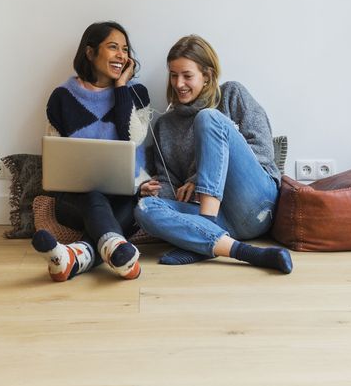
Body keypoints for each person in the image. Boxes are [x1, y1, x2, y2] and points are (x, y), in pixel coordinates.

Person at [134, 34, 292, 274]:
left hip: (256, 204)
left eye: (187, 75)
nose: (178, 84)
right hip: (225, 224)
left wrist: (198, 179)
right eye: (174, 75)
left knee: (208, 118)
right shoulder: (164, 126)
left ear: (206, 76)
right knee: (145, 208)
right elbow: (172, 184)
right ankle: (244, 251)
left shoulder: (231, 94)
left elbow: (263, 152)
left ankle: (202, 230)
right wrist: (150, 188)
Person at [32, 21, 151, 282]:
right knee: (93, 196)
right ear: (90, 52)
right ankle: (117, 251)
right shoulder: (62, 97)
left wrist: (121, 88)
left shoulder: (137, 93)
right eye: (112, 47)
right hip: (75, 200)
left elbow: (132, 138)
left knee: (127, 209)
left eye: (125, 49)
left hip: (125, 196)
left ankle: (71, 258)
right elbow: (56, 158)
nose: (122, 54)